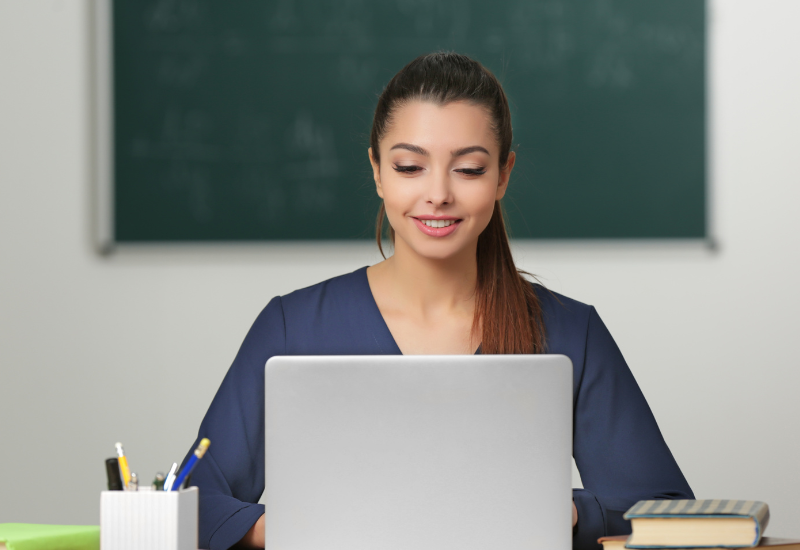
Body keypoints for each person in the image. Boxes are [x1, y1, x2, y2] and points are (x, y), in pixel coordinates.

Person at [181, 52, 693, 550]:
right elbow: (192, 501)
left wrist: (562, 511)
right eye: (410, 167)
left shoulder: (568, 331)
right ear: (378, 172)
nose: (438, 194)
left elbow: (664, 508)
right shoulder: (292, 327)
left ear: (503, 175)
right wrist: (305, 529)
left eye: (468, 170)